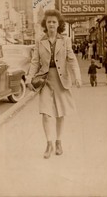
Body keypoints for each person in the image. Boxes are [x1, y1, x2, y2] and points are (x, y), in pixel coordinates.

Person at [26, 9, 82, 159]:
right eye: (49, 21)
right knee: (45, 112)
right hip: (45, 80)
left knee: (60, 113)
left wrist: (77, 76)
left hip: (61, 79)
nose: (51, 24)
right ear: (46, 24)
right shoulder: (40, 40)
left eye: (54, 22)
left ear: (58, 24)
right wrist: (29, 78)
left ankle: (58, 142)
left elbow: (72, 59)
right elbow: (35, 62)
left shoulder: (65, 40)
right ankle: (49, 143)